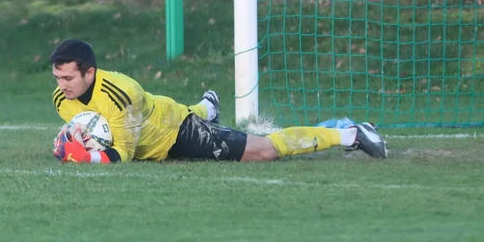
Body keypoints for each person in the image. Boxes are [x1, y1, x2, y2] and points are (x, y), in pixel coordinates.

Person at [49, 39, 387, 164]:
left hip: (175, 130)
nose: (62, 86)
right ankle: (208, 106)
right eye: (58, 78)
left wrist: (86, 158)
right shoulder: (61, 100)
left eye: (68, 78)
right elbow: (87, 130)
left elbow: (122, 152)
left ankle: (354, 134)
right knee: (204, 117)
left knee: (264, 151)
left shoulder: (122, 93)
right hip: (153, 136)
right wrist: (69, 140)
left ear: (90, 73)